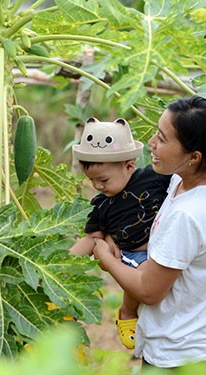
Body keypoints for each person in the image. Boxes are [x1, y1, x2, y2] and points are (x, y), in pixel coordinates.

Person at [92, 96, 206, 369]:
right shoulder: (178, 180)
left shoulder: (188, 215)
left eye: (163, 139)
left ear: (193, 157)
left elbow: (149, 290)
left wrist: (105, 257)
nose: (151, 143)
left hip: (178, 356)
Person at [70, 117, 171, 349]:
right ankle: (127, 312)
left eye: (103, 180)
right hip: (130, 254)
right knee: (143, 271)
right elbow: (92, 238)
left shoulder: (153, 178)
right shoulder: (100, 204)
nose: (97, 186)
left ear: (129, 165)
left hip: (163, 248)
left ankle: (127, 310)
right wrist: (63, 264)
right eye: (91, 181)